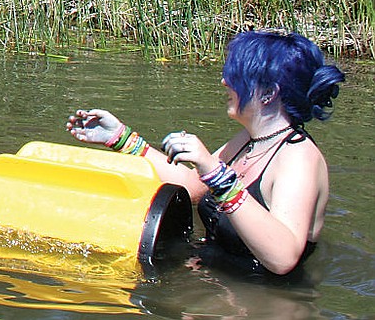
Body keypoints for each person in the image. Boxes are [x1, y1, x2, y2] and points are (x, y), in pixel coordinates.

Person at [66, 29, 345, 276]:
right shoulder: (252, 140)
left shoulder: (297, 158)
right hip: (218, 278)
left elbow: (282, 258)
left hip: (266, 300)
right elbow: (191, 187)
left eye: (237, 75)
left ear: (268, 93)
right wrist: (122, 138)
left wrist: (216, 172)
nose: (225, 81)